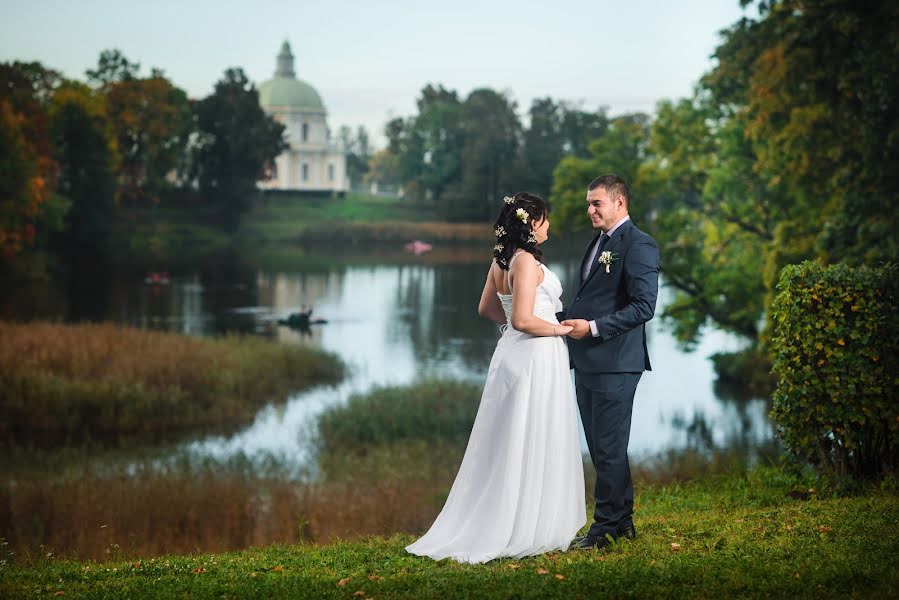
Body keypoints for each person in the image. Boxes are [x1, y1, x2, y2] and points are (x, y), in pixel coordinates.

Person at [405, 192, 586, 563]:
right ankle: (523, 524)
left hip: (513, 354)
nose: (549, 225)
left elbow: (487, 309)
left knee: (511, 434)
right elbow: (522, 319)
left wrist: (519, 330)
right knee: (531, 430)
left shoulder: (501, 261)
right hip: (535, 355)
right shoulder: (525, 263)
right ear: (531, 223)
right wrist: (560, 330)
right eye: (545, 219)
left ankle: (516, 514)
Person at [559, 174, 660, 550]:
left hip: (616, 362)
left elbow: (643, 307)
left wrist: (595, 329)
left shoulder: (639, 245)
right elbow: (591, 299)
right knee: (603, 447)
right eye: (588, 203)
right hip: (587, 362)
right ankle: (622, 522)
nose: (590, 210)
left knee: (609, 447)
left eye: (596, 203)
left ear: (619, 203)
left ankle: (603, 529)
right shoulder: (599, 243)